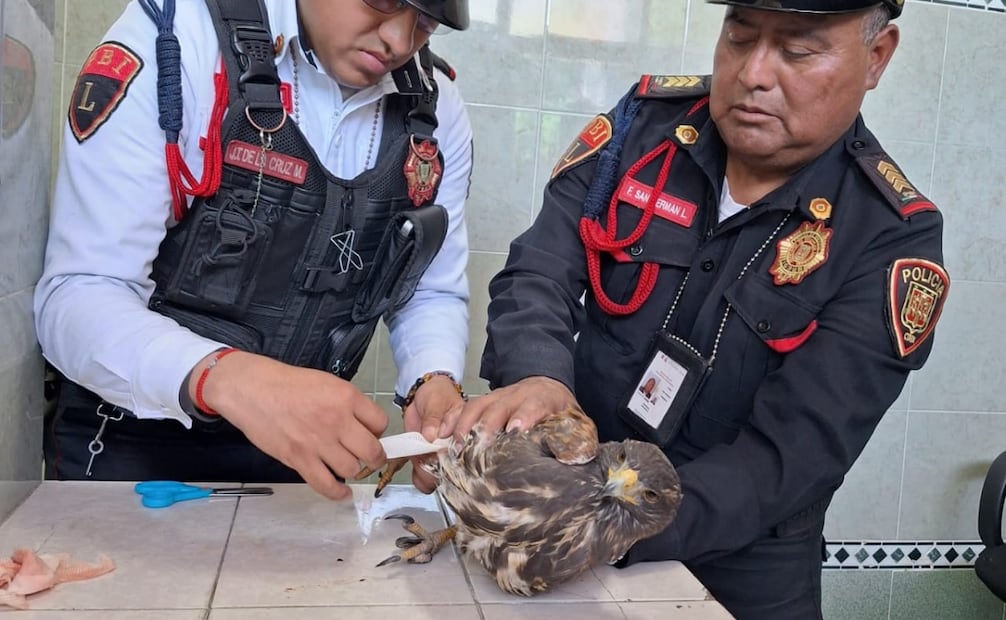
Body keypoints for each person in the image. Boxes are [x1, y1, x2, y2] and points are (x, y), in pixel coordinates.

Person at [429, 0, 949, 618]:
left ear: (877, 57)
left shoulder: (888, 234)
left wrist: (602, 521)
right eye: (739, 34)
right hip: (567, 512)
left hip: (742, 567)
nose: (753, 72)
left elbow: (789, 458)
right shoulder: (645, 127)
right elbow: (541, 267)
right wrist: (537, 374)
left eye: (798, 49)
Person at [34, 0, 472, 501]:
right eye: (382, 1)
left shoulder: (435, 110)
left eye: (426, 22)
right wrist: (227, 378)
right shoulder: (177, 43)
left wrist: (432, 379)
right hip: (129, 458)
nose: (398, 39)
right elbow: (78, 294)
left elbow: (427, 287)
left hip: (297, 472)